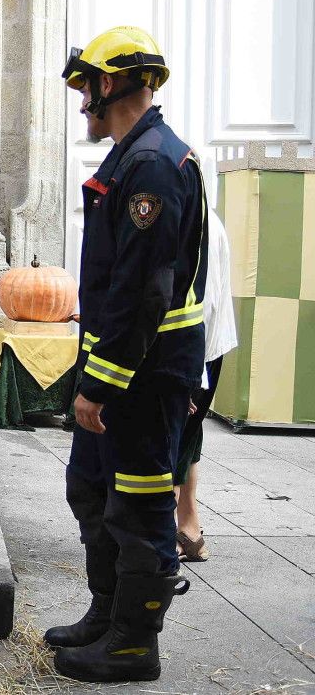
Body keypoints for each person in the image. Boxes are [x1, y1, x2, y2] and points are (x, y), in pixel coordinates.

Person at [46, 26, 208, 683]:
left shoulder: (151, 165)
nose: (82, 99)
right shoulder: (133, 157)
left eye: (86, 85)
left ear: (108, 83)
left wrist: (98, 385)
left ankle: (135, 643)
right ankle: (107, 612)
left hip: (144, 372)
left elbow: (146, 292)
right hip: (120, 365)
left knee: (140, 505)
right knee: (90, 486)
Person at [174, 208, 236, 562]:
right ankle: (189, 528)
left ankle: (166, 537)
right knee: (188, 436)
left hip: (194, 352)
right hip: (200, 350)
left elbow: (204, 301)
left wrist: (191, 376)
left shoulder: (197, 223)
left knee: (171, 441)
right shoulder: (202, 215)